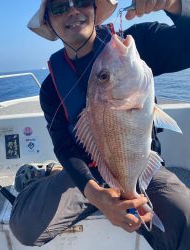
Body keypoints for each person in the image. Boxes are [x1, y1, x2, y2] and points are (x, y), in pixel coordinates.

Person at [10, 0, 190, 249]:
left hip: (137, 166)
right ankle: (49, 174)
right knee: (23, 228)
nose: (73, 10)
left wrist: (176, 6)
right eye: (60, 7)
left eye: (82, 1)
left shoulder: (135, 45)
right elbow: (64, 145)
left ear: (95, 8)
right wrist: (95, 194)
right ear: (49, 21)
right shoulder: (51, 88)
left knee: (186, 221)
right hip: (86, 175)